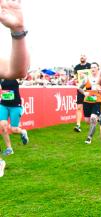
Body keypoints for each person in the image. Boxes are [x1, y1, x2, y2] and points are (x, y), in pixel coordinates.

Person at [0, 0, 30, 177]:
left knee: (11, 127)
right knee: (3, 126)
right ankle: (8, 149)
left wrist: (18, 30)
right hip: (4, 104)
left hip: (14, 105)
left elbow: (18, 69)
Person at [78, 62, 101, 144]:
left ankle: (89, 138)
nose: (93, 69)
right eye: (92, 67)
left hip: (97, 101)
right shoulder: (86, 78)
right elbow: (79, 88)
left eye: (95, 67)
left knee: (93, 118)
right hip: (87, 101)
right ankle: (98, 117)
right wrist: (84, 93)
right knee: (87, 121)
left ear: (98, 68)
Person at [73, 54, 91, 132]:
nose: (82, 57)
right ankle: (78, 125)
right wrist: (76, 80)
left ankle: (96, 118)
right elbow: (75, 77)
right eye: (81, 56)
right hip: (80, 89)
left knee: (90, 106)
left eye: (84, 56)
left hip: (89, 89)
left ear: (86, 57)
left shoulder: (90, 65)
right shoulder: (77, 67)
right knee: (79, 107)